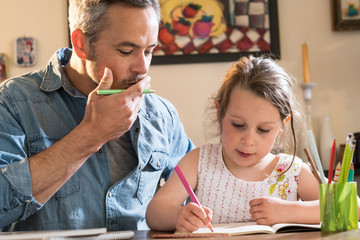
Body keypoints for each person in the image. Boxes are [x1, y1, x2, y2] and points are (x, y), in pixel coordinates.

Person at [0, 0, 194, 232]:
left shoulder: (162, 114)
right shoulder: (13, 101)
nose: (142, 68)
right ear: (81, 44)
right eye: (126, 51)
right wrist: (91, 135)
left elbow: (200, 193)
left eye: (149, 51)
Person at [146, 55, 321, 232]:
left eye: (263, 130)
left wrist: (289, 211)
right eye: (238, 125)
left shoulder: (291, 171)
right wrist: (179, 216)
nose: (248, 141)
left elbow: (339, 207)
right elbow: (155, 212)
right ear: (219, 113)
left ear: (281, 127)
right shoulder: (199, 161)